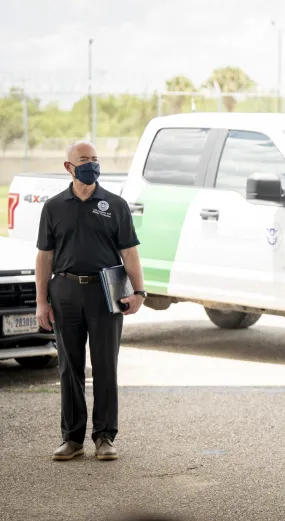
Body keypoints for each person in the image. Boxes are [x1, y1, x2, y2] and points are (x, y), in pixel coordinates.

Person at [35, 140, 147, 462]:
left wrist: (138, 292)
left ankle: (105, 437)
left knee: (105, 367)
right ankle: (71, 438)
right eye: (84, 160)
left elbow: (129, 252)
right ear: (69, 167)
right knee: (69, 369)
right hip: (65, 293)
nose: (91, 164)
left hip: (105, 294)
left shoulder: (115, 205)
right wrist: (42, 301)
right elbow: (45, 256)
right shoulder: (54, 207)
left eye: (95, 159)